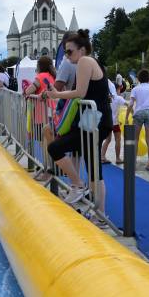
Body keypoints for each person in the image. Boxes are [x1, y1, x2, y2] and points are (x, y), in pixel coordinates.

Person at [46, 29, 113, 226]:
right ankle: (99, 214)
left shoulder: (85, 62)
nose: (67, 56)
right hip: (94, 121)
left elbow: (81, 92)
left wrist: (57, 95)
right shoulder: (90, 61)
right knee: (94, 170)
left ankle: (78, 185)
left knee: (56, 148)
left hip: (95, 122)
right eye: (65, 52)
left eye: (69, 52)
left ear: (82, 50)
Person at [23, 56, 56, 180]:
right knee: (49, 141)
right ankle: (50, 168)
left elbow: (29, 90)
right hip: (51, 112)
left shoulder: (41, 76)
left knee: (45, 143)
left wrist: (26, 91)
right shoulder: (52, 76)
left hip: (42, 113)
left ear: (39, 65)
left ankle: (48, 170)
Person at [125, 69, 149, 171]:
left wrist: (127, 117)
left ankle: (133, 163)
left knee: (135, 139)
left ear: (138, 79)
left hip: (138, 114)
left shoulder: (136, 89)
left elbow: (131, 104)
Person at [101, 80, 127, 165]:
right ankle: (118, 158)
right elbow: (128, 104)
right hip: (115, 123)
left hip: (108, 122)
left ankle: (102, 156)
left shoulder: (106, 98)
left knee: (107, 140)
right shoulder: (118, 98)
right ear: (117, 89)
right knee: (118, 140)